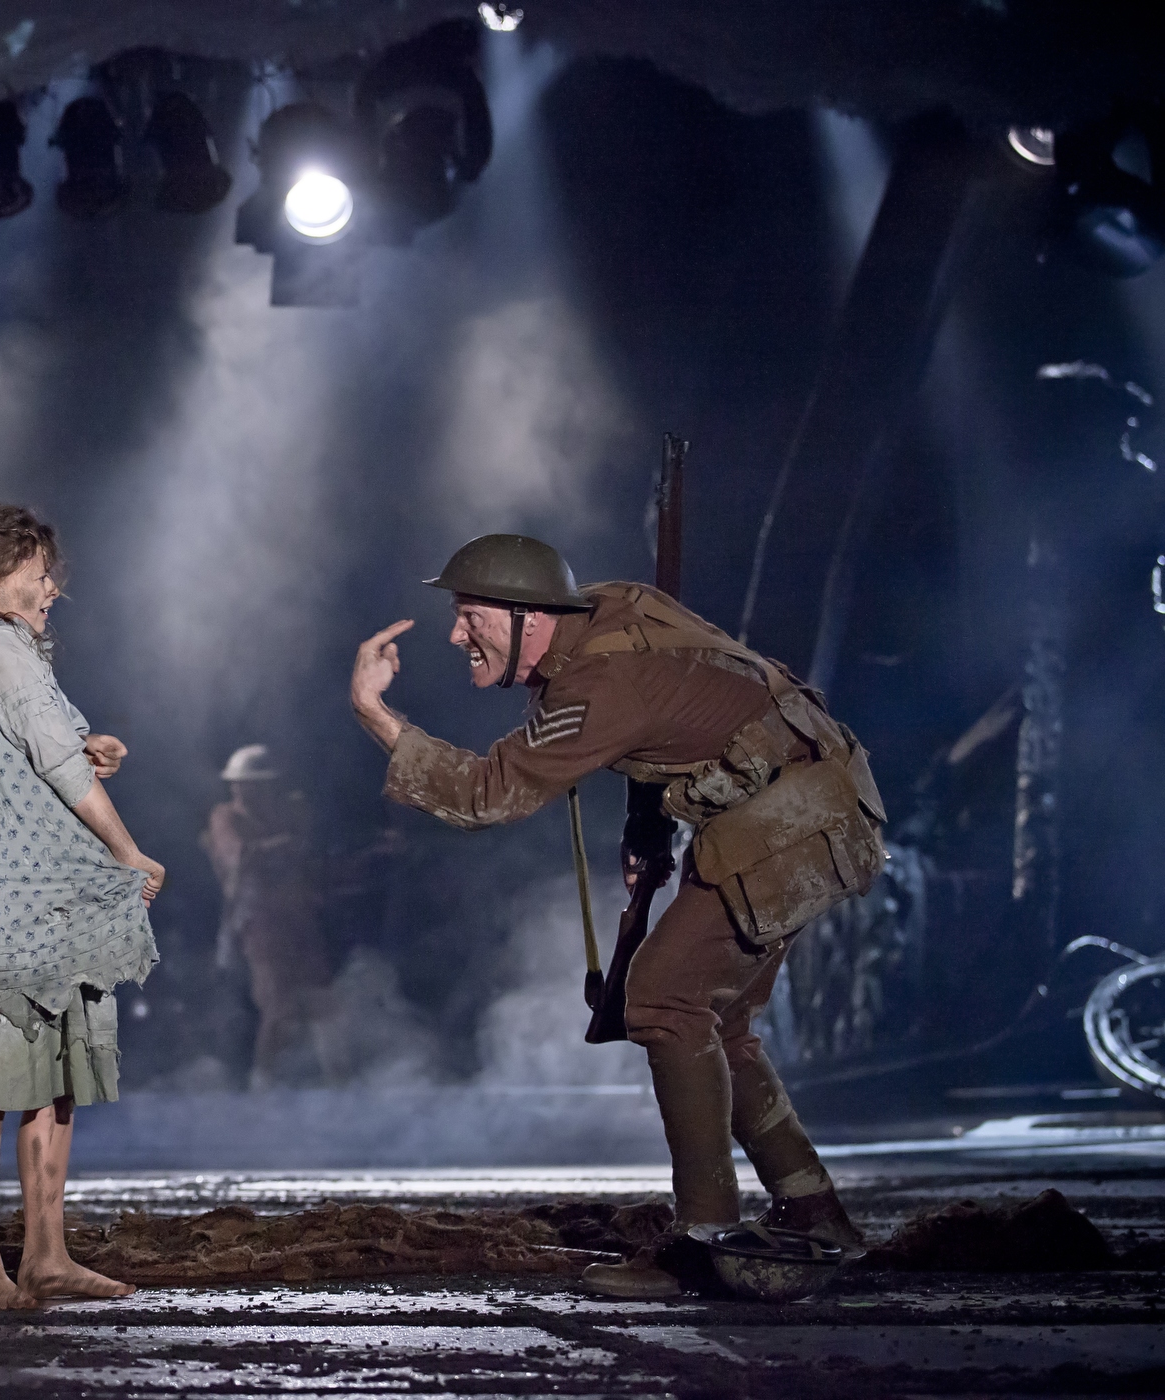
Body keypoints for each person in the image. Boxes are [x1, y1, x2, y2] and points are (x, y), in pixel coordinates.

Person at [349, 534, 885, 1299]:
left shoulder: (598, 681)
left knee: (666, 1001)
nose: (454, 634)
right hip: (813, 802)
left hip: (793, 820)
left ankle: (704, 1242)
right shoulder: (601, 617)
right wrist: (648, 825)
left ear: (531, 616)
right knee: (716, 1024)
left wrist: (373, 712)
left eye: (471, 615)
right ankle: (816, 1213)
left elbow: (484, 793)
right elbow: (679, 723)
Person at [0, 503, 162, 1308]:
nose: (53, 588)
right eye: (38, 575)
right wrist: (128, 851)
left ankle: (45, 1254)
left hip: (38, 896)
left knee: (51, 1081)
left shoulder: (6, 651)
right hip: (0, 901)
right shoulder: (1, 649)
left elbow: (45, 751)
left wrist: (91, 748)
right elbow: (54, 764)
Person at [200, 745, 331, 1087]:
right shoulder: (226, 817)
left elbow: (309, 864)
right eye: (250, 784)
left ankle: (337, 1079)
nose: (257, 791)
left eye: (263, 784)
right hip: (258, 923)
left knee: (323, 1002)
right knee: (278, 1005)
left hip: (298, 920)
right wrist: (282, 845)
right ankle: (264, 1082)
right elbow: (238, 857)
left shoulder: (287, 813)